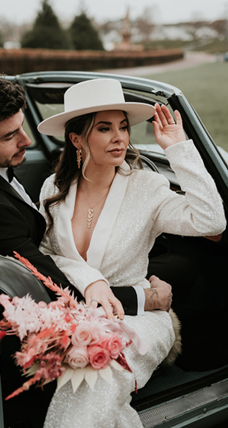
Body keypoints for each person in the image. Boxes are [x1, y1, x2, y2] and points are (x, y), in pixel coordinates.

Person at [37, 78, 226, 427]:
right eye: (105, 128)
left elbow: (212, 220)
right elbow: (47, 257)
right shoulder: (54, 188)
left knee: (96, 378)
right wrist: (90, 280)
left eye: (123, 127)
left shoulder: (146, 187)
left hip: (139, 323)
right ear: (76, 138)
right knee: (93, 394)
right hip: (76, 321)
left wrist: (178, 149)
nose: (120, 137)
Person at [0, 70, 171, 317]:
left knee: (177, 264)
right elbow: (57, 288)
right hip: (42, 295)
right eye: (10, 136)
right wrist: (145, 298)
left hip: (53, 258)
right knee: (179, 269)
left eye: (21, 127)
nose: (27, 141)